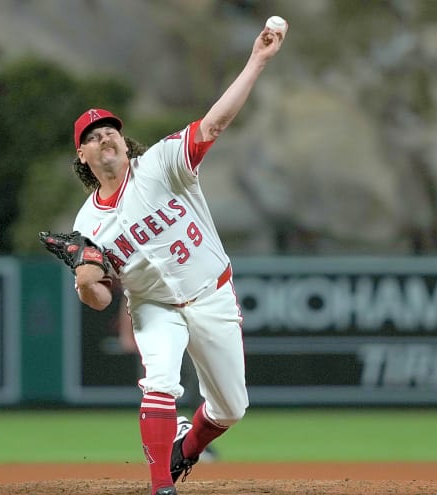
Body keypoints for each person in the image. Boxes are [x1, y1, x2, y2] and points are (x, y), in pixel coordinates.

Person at [68, 23, 284, 495]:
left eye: (110, 131)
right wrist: (85, 282)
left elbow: (213, 124)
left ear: (124, 141)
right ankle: (160, 487)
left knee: (231, 408)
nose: (105, 138)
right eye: (94, 136)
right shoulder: (87, 224)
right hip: (154, 306)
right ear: (82, 156)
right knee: (160, 382)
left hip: (211, 294)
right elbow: (99, 298)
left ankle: (184, 446)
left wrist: (257, 61)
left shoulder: (162, 164)